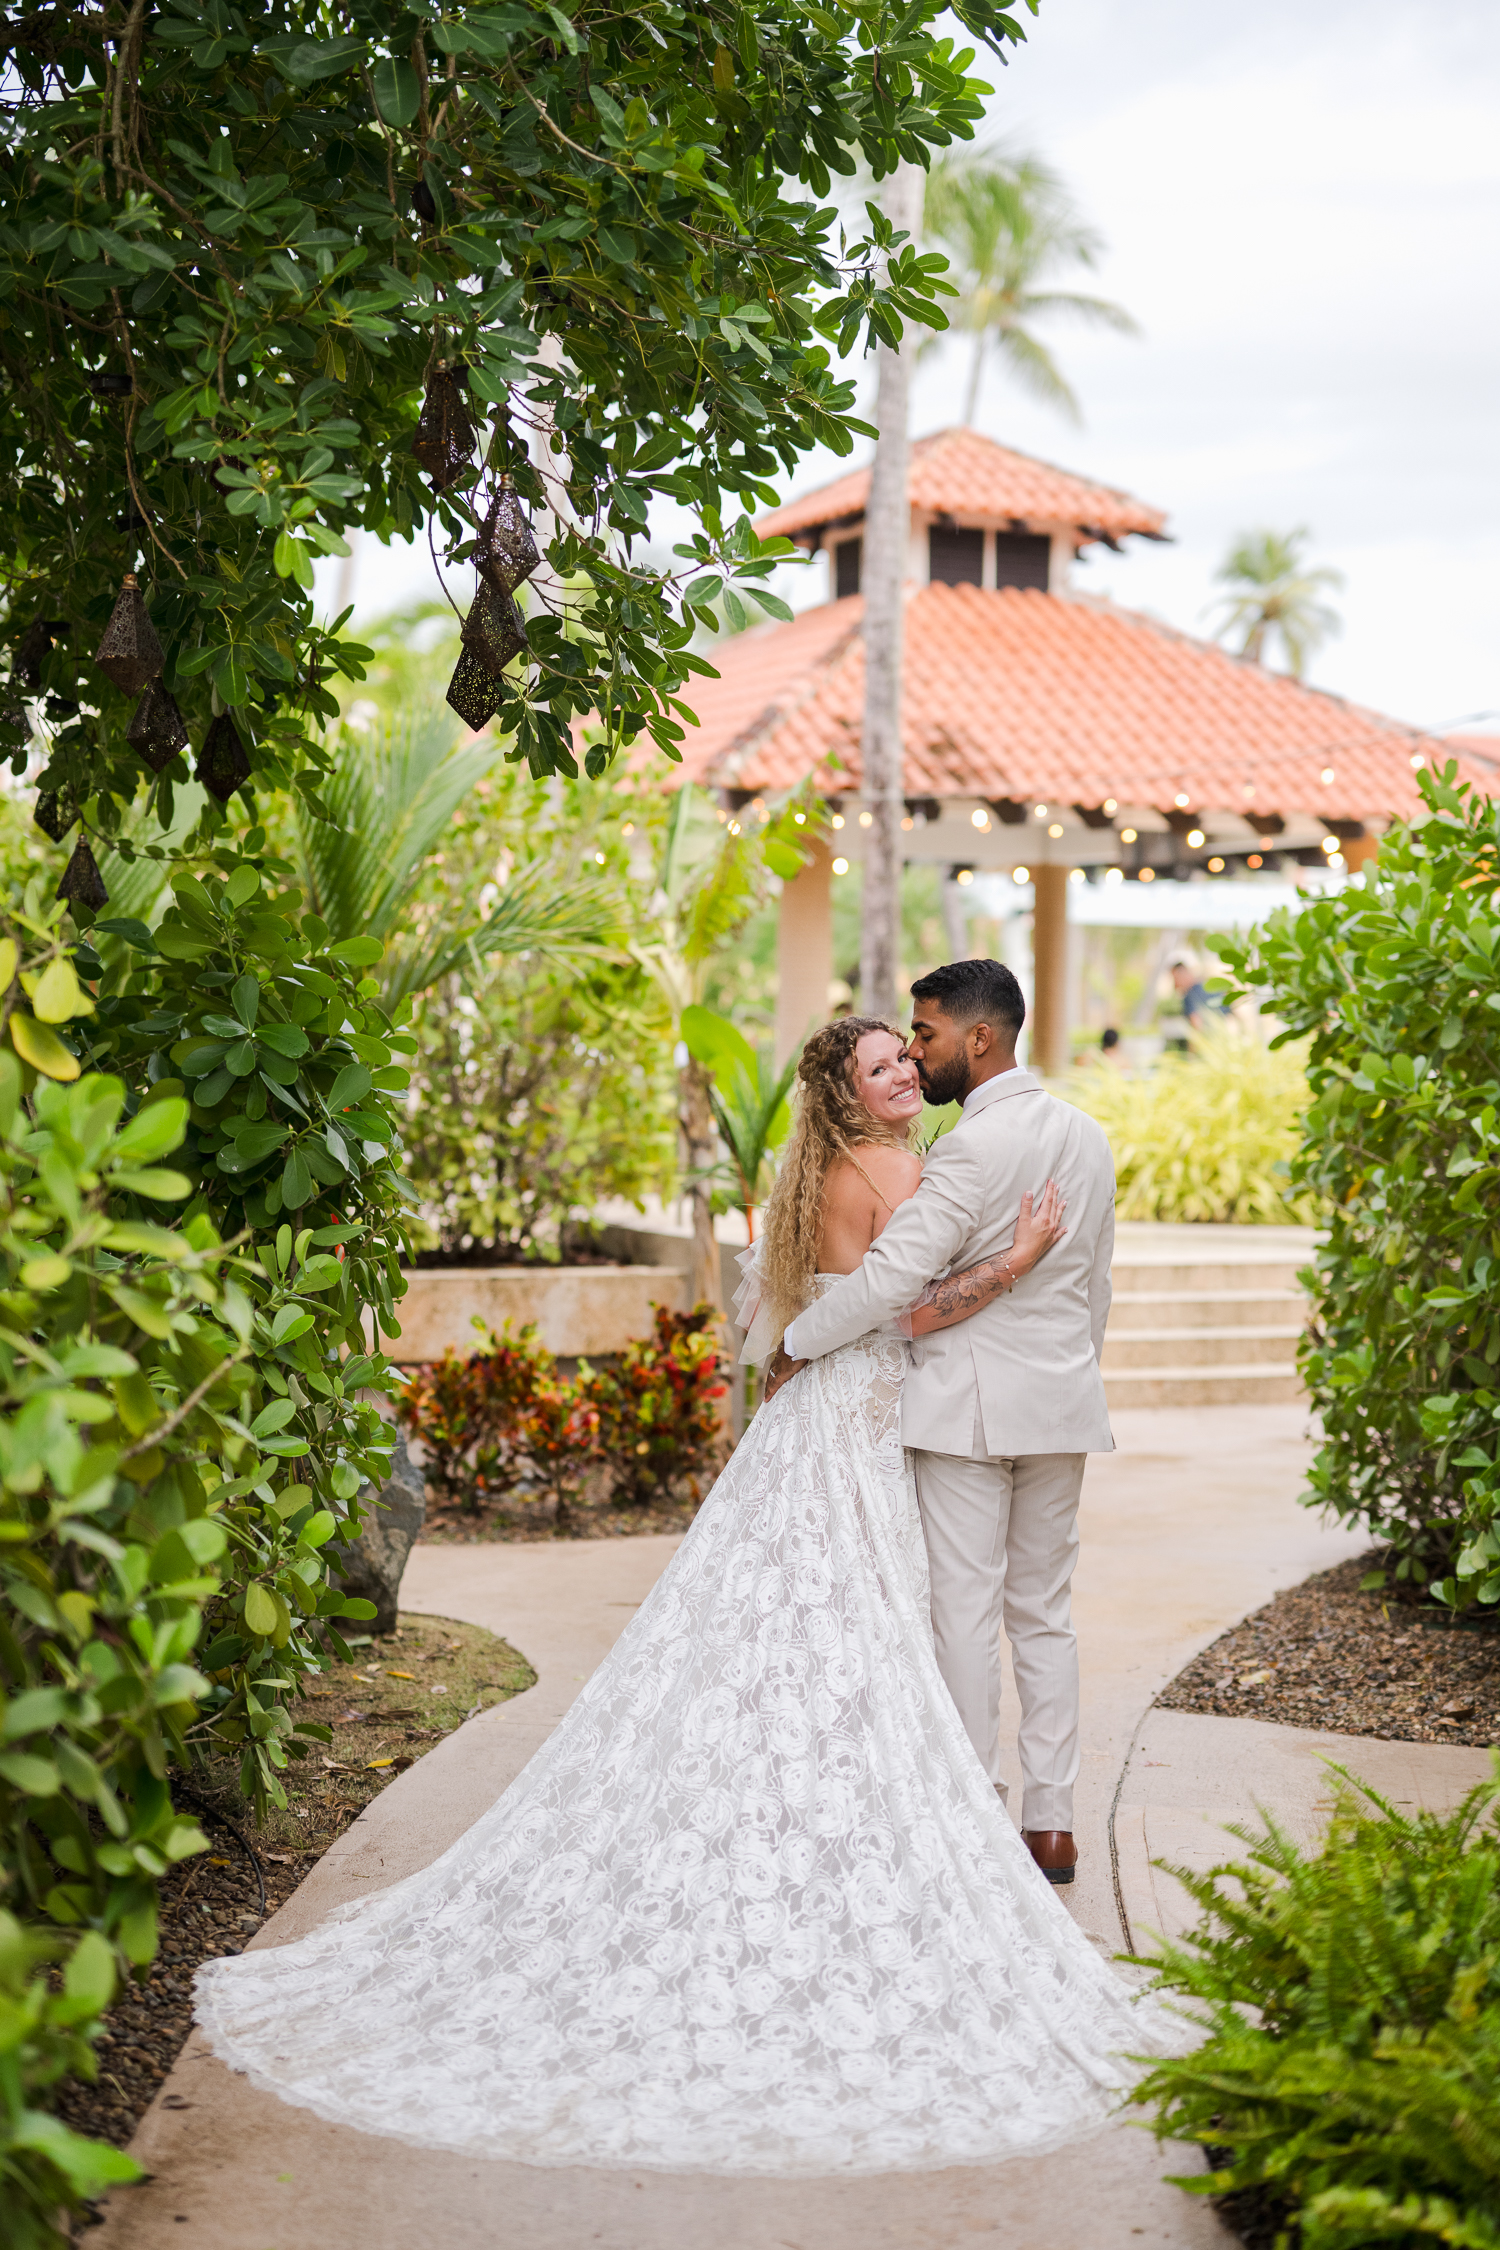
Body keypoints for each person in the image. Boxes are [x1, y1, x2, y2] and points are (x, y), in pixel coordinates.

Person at [194, 1013, 1176, 2178]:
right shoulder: (896, 1169)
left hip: (842, 1424)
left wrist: (814, 1340)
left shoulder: (862, 1165)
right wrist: (1009, 1265)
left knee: (825, 1640)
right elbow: (902, 1308)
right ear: (849, 1097)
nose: (907, 1069)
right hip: (861, 1421)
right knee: (868, 1632)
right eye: (882, 1063)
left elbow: (830, 1311)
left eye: (909, 1054)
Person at [771, 960, 1115, 1891]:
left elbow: (888, 1282)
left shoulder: (967, 1149)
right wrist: (1066, 1374)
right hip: (1060, 1403)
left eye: (923, 1036)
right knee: (1045, 1616)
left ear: (979, 1039)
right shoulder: (1086, 1137)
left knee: (965, 1617)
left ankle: (973, 1817)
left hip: (966, 1409)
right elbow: (1095, 1293)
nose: (917, 1055)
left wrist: (796, 1342)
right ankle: (1053, 1830)